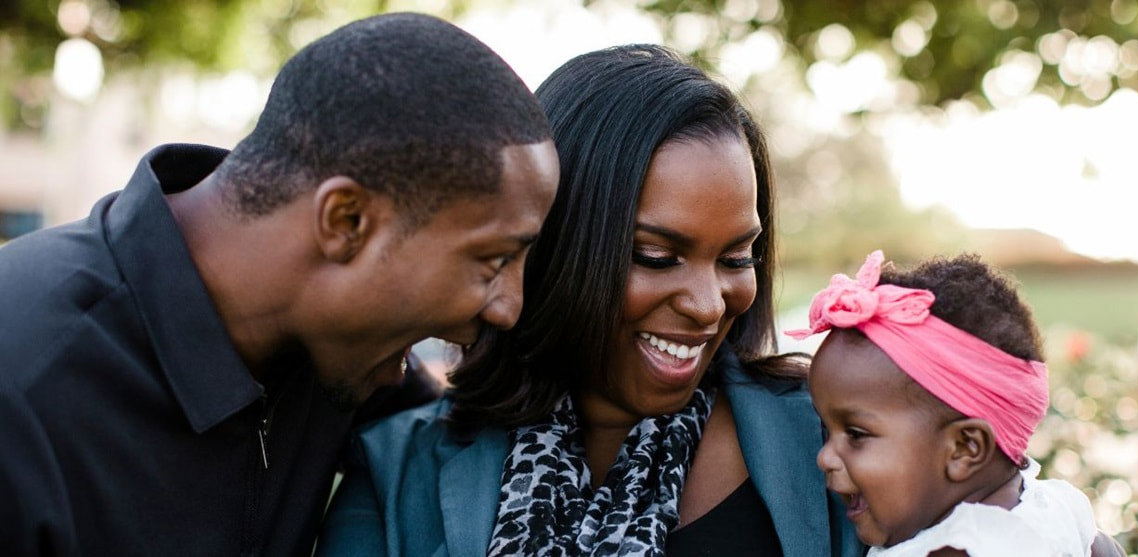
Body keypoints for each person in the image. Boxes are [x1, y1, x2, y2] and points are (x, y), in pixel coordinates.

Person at [0, 13, 558, 556]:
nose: (508, 308)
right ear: (346, 222)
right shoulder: (25, 386)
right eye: (494, 260)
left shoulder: (341, 349)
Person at [316, 45, 861, 556]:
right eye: (656, 256)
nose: (708, 306)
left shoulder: (839, 443)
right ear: (549, 243)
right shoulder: (396, 470)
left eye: (736, 258)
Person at [791, 250, 1122, 556]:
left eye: (856, 434)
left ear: (964, 448)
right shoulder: (1061, 511)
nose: (824, 457)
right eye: (828, 430)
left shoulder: (960, 550)